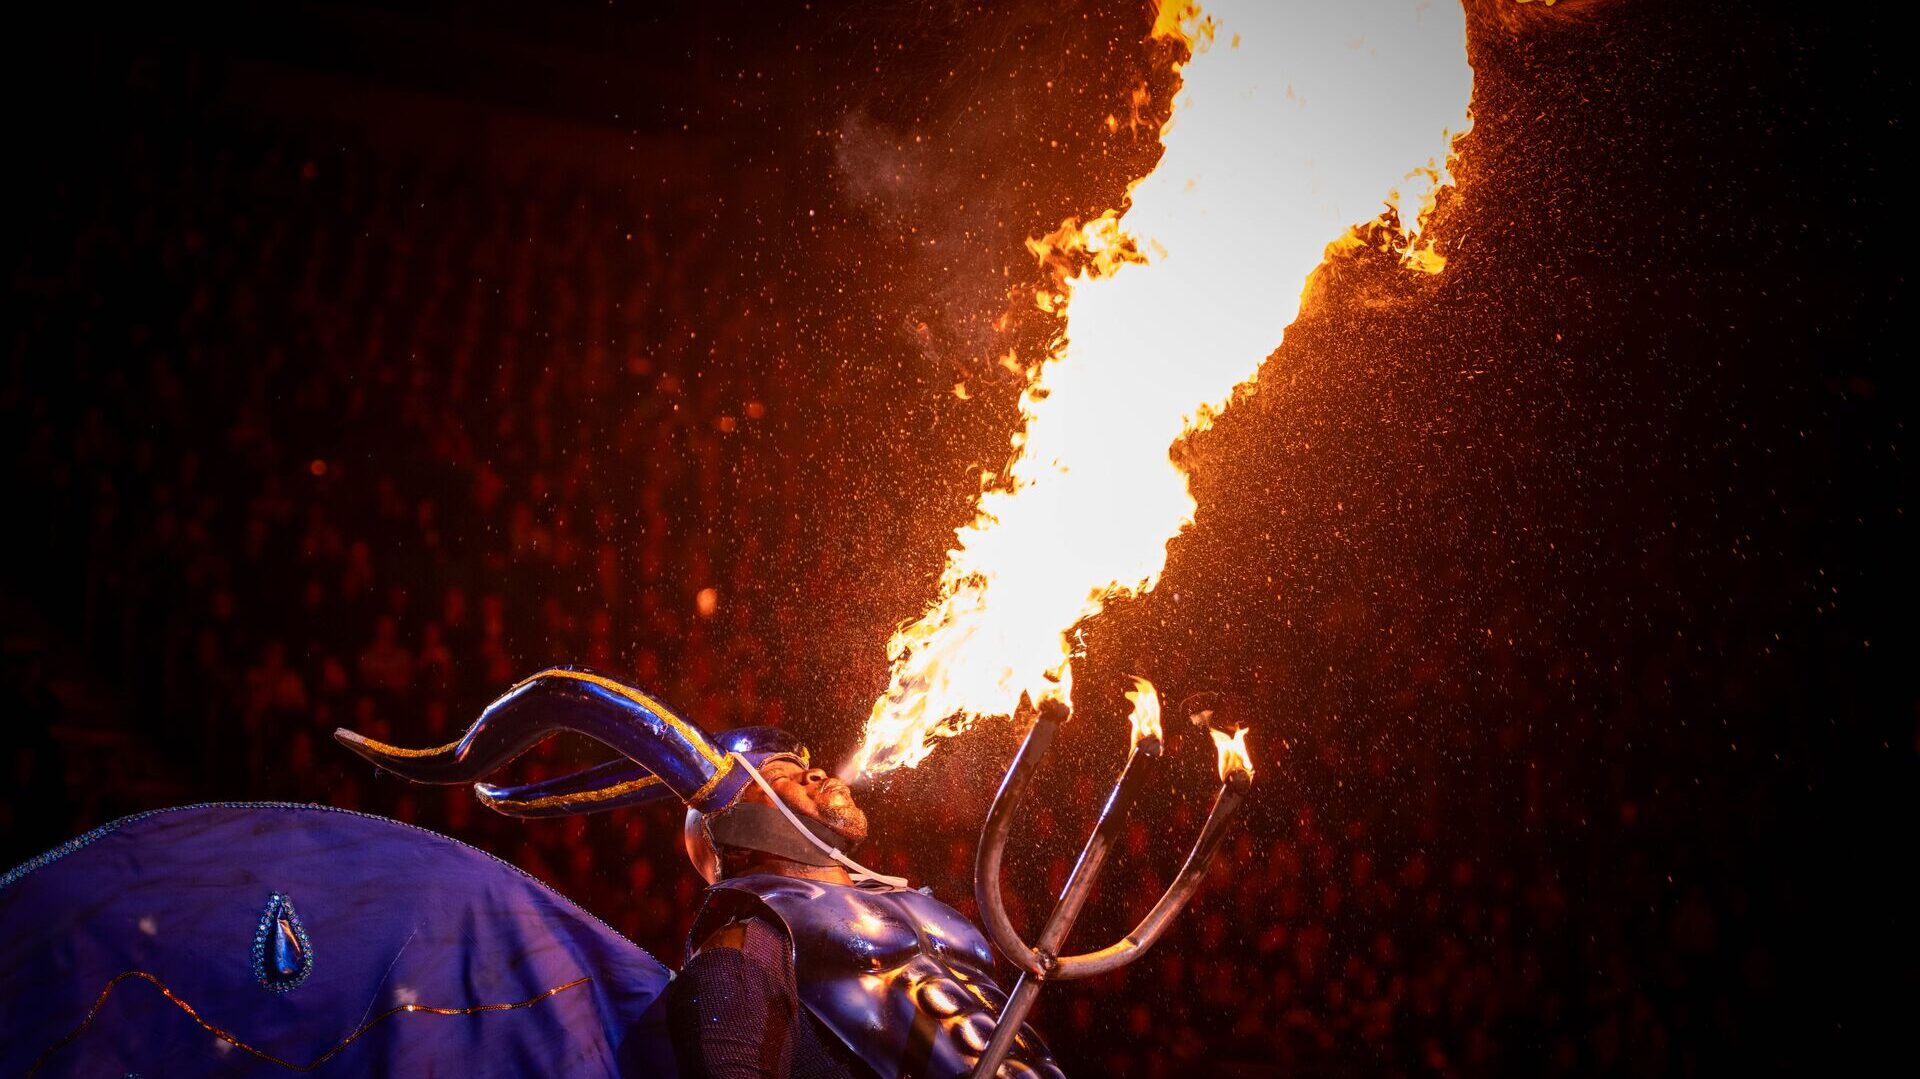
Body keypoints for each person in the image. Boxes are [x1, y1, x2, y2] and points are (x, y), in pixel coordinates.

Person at [337, 667, 1065, 1079]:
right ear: (739, 823)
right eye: (781, 772)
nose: (815, 770)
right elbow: (728, 1054)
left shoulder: (924, 904)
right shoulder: (754, 932)